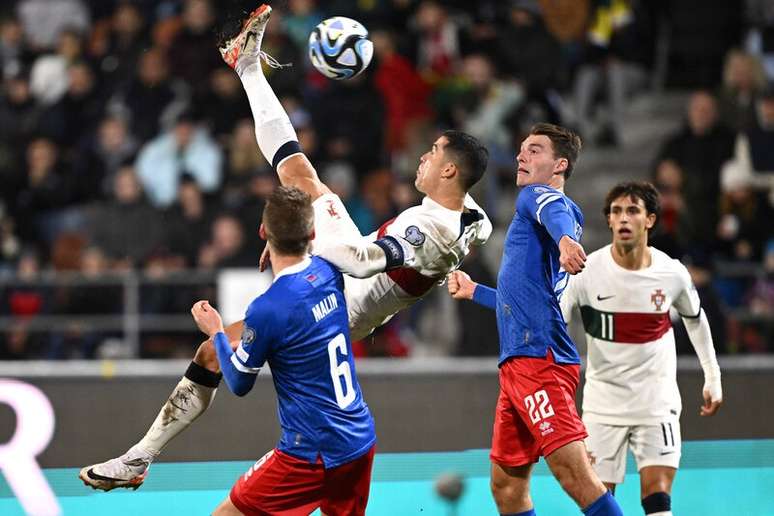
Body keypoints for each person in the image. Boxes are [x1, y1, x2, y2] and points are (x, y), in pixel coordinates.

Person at [80, 3, 491, 491]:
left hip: (340, 300)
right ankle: (247, 65)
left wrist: (289, 242)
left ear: (449, 171)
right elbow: (466, 235)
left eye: (432, 154)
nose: (422, 157)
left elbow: (360, 266)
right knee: (299, 175)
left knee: (212, 355)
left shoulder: (433, 231)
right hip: (348, 269)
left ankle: (139, 458)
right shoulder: (471, 218)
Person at [85, 186, 377, 516]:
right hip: (358, 439)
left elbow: (239, 381)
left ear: (263, 232)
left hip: (310, 451)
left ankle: (139, 457)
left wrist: (217, 332)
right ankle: (140, 455)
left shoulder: (269, 308)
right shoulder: (329, 272)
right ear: (311, 232)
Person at [448, 123, 624, 515]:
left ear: (559, 164)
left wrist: (565, 240)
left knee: (574, 477)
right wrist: (474, 291)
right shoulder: (544, 219)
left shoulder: (538, 199)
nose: (521, 156)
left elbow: (552, 209)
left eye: (534, 150)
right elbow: (523, 299)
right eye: (522, 149)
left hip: (537, 362)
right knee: (507, 486)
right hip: (520, 363)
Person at [560, 181, 721, 516]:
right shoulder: (585, 272)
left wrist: (712, 375)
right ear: (608, 220)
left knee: (657, 497)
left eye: (632, 210)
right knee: (600, 501)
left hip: (655, 403)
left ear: (649, 220)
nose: (623, 218)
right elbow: (554, 325)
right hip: (603, 405)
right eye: (616, 211)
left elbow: (695, 318)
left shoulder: (672, 273)